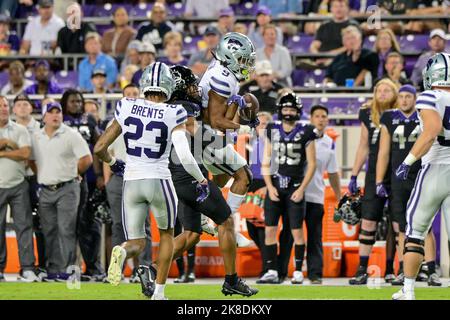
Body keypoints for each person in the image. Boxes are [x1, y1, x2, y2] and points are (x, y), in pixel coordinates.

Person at [94, 62, 210, 300]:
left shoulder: (127, 105)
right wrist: (200, 179)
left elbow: (99, 148)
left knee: (136, 241)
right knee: (167, 236)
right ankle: (159, 292)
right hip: (159, 179)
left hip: (132, 180)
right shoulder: (174, 111)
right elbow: (185, 155)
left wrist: (114, 162)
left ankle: (123, 251)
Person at [392, 53, 450, 300]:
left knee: (415, 231)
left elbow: (432, 130)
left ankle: (408, 290)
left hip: (436, 168)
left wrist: (408, 160)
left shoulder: (430, 95)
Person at [376, 84, 441, 287]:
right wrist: (379, 180)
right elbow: (384, 152)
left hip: (420, 174)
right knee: (401, 227)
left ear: (415, 98)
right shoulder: (389, 118)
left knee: (426, 225)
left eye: (408, 96)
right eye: (401, 96)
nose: (404, 100)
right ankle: (405, 270)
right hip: (398, 178)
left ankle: (431, 270)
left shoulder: (425, 113)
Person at [198, 32, 259, 247]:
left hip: (204, 135)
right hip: (205, 136)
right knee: (244, 176)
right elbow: (216, 120)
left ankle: (205, 216)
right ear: (230, 56)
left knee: (222, 178)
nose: (246, 64)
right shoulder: (222, 77)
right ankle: (226, 223)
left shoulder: (223, 71)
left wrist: (237, 103)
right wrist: (244, 127)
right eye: (242, 60)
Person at [30, 102, 92, 281]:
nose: (56, 115)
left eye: (58, 112)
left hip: (68, 187)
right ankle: (53, 270)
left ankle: (69, 270)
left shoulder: (71, 134)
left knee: (66, 229)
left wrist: (74, 173)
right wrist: (44, 175)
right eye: (51, 112)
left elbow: (86, 159)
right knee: (49, 230)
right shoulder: (36, 136)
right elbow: (32, 161)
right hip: (46, 189)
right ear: (44, 117)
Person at [259, 93, 317, 285]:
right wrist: (268, 185)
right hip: (275, 184)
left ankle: (299, 270)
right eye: (286, 109)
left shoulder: (306, 130)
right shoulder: (272, 129)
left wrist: (301, 188)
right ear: (280, 110)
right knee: (270, 230)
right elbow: (266, 159)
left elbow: (312, 164)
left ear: (298, 111)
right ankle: (271, 270)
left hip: (294, 186)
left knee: (297, 231)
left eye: (292, 109)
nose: (288, 113)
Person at [347, 78, 398, 285]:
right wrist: (353, 174)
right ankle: (362, 268)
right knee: (368, 221)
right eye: (380, 90)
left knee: (398, 224)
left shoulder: (401, 113)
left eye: (388, 90)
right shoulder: (367, 113)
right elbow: (363, 145)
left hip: (397, 172)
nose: (383, 93)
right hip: (373, 173)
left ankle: (392, 269)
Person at [103, 83, 153, 284]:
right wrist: (108, 182)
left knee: (143, 226)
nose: (132, 97)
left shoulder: (150, 120)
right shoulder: (114, 123)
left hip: (141, 177)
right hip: (119, 179)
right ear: (123, 99)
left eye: (135, 94)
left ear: (140, 97)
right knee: (117, 225)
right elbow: (107, 154)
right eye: (128, 95)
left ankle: (144, 271)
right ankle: (117, 271)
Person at [61, 89, 105, 281]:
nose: (77, 104)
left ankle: (94, 268)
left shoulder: (90, 120)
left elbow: (101, 145)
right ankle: (67, 269)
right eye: (72, 101)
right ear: (64, 104)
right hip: (65, 180)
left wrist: (100, 175)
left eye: (79, 101)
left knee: (89, 225)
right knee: (68, 226)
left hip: (89, 180)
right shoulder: (58, 121)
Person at [0, 95, 38, 282]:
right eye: (0, 106)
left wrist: (5, 147)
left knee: (24, 226)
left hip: (18, 183)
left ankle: (27, 268)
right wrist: (9, 146)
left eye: (6, 105)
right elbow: (19, 152)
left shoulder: (20, 129)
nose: (3, 108)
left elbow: (25, 153)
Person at [305, 104, 342, 284]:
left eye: (324, 116)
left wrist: (338, 196)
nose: (321, 119)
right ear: (311, 119)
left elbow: (333, 172)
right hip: (294, 194)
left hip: (316, 194)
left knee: (315, 236)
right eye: (317, 116)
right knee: (289, 235)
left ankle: (315, 274)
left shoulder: (329, 142)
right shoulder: (301, 136)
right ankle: (282, 271)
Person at [12, 93, 47, 280]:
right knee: (22, 224)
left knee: (41, 224)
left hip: (36, 179)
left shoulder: (41, 128)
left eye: (26, 104)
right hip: (16, 179)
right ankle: (26, 266)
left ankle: (42, 265)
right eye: (19, 104)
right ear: (14, 109)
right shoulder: (8, 128)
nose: (23, 107)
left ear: (31, 108)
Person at [309, 0, 359, 66]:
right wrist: (318, 55)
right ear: (331, 9)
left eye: (341, 6)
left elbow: (348, 47)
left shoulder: (353, 26)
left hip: (341, 61)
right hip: (321, 59)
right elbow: (315, 45)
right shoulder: (324, 25)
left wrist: (328, 56)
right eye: (335, 6)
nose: (338, 9)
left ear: (347, 8)